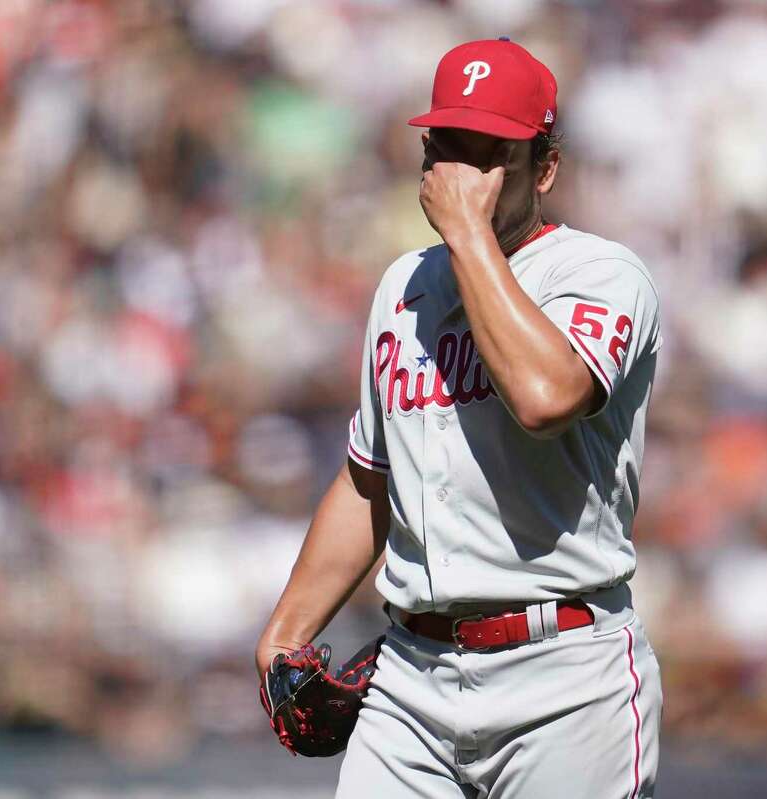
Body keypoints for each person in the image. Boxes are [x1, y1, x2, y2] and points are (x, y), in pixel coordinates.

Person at [257, 38, 663, 798]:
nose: (459, 174)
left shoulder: (602, 274)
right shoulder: (403, 285)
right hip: (412, 675)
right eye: (447, 145)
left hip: (565, 675)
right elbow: (369, 477)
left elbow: (545, 397)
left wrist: (469, 235)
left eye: (489, 154)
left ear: (543, 168)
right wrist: (287, 628)